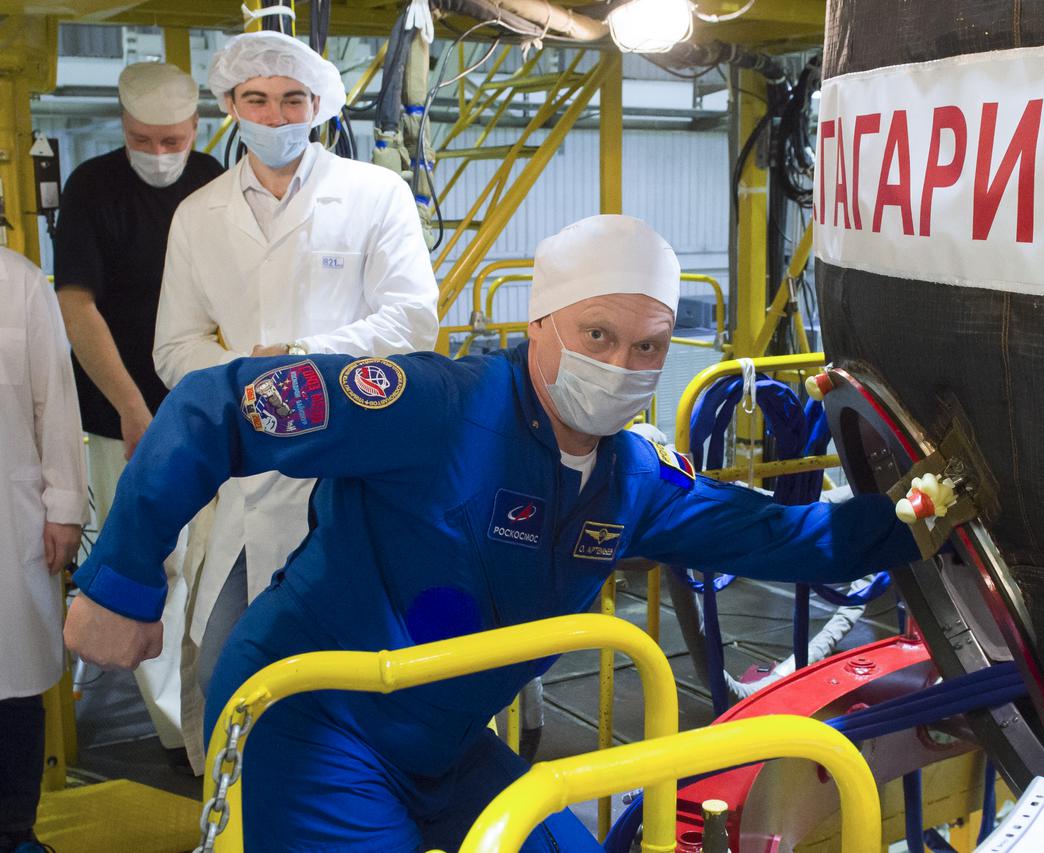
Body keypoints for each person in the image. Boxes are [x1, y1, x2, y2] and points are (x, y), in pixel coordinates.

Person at [64, 215, 918, 852]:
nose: (621, 366)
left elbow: (772, 532)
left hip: (445, 739)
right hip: (316, 721)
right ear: (539, 324)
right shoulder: (430, 403)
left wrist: (916, 524)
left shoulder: (633, 480)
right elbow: (215, 408)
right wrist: (120, 581)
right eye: (596, 335)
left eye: (649, 347)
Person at [151, 30, 439, 713]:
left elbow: (412, 320)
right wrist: (255, 378)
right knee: (225, 661)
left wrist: (302, 362)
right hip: (245, 466)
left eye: (291, 101)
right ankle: (242, 814)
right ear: (230, 104)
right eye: (257, 100)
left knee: (363, 667)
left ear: (319, 107)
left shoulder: (376, 193)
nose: (275, 117)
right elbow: (174, 346)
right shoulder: (198, 215)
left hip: (353, 461)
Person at [55, 61, 222, 756]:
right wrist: (130, 406)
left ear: (196, 130)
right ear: (123, 130)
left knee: (210, 564)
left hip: (205, 407)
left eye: (171, 140)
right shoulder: (93, 187)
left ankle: (205, 720)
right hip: (118, 412)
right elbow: (76, 304)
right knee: (145, 564)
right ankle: (177, 735)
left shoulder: (216, 178)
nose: (159, 155)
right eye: (143, 140)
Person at [2, 251, 87, 853]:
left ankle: (13, 831)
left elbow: (55, 403)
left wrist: (64, 507)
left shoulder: (19, 283)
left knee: (13, 683)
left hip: (10, 519)